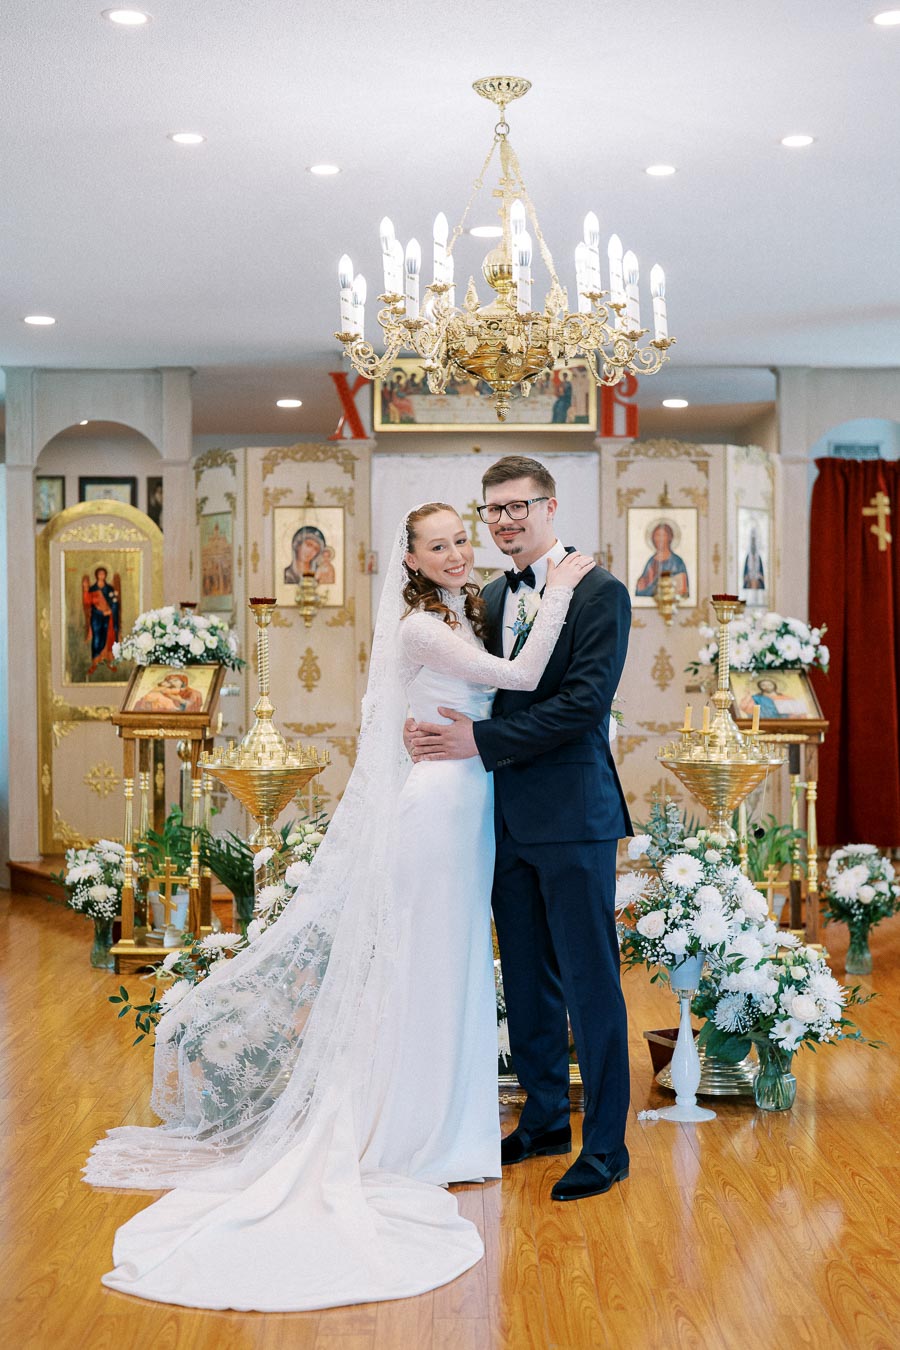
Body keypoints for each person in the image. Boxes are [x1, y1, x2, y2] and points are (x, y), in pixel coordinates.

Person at [84, 501, 593, 1312]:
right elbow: (522, 678)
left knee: (456, 959)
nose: (459, 553)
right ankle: (407, 1132)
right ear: (413, 559)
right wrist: (563, 587)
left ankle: (451, 1131)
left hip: (473, 802)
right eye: (440, 545)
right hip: (438, 807)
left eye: (464, 539)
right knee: (426, 963)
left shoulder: (465, 608)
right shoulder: (422, 627)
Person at [407, 455, 633, 1203]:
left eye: (518, 506)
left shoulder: (601, 591)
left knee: (591, 980)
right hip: (500, 815)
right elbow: (481, 694)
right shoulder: (489, 595)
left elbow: (582, 705)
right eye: (493, 510)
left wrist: (480, 744)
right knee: (529, 980)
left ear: (550, 507)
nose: (504, 521)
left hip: (574, 816)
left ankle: (605, 1144)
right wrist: (428, 731)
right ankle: (542, 1120)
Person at [634, 520, 689, 599]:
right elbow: (641, 589)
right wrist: (644, 583)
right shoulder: (651, 561)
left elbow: (682, 589)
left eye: (663, 535)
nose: (659, 539)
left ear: (669, 537)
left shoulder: (677, 561)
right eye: (657, 535)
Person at [82, 567, 120, 675]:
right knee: (97, 639)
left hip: (108, 617)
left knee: (107, 638)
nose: (102, 576)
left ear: (105, 575)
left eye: (103, 574)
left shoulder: (109, 589)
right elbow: (89, 605)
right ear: (96, 575)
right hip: (96, 618)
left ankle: (109, 661)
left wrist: (110, 610)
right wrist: (101, 613)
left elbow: (115, 603)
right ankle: (94, 663)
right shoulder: (92, 589)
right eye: (100, 574)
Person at [132, 671, 204, 714]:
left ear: (183, 682)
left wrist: (180, 700)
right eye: (170, 682)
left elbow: (192, 707)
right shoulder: (165, 690)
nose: (172, 683)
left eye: (175, 681)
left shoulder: (193, 693)